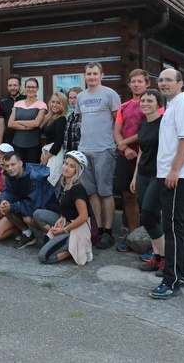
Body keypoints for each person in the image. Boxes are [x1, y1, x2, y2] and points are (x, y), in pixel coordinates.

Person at [148, 69, 184, 300]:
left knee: (172, 229)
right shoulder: (171, 107)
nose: (163, 84)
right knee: (179, 226)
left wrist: (175, 170)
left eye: (169, 80)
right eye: (160, 80)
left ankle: (171, 281)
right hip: (170, 174)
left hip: (176, 176)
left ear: (180, 83)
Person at [76, 62, 121, 250]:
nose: (92, 77)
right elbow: (81, 120)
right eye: (88, 74)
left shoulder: (110, 94)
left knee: (105, 191)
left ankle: (108, 232)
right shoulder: (80, 96)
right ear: (85, 76)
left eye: (95, 73)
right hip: (85, 149)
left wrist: (118, 144)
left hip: (104, 149)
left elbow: (118, 121)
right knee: (92, 192)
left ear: (102, 75)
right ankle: (98, 229)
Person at [35, 151, 94, 265]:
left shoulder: (77, 189)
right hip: (65, 221)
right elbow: (67, 207)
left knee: (43, 257)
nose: (66, 168)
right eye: (66, 163)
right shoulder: (64, 183)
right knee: (38, 214)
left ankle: (72, 250)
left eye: (71, 166)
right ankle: (62, 240)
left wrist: (64, 230)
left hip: (77, 227)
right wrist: (62, 217)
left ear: (78, 170)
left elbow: (83, 217)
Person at [131, 89, 167, 274]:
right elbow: (141, 152)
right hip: (143, 175)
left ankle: (167, 259)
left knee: (148, 217)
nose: (144, 103)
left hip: (157, 175)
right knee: (149, 219)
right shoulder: (142, 125)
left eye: (149, 100)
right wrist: (135, 175)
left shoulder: (164, 123)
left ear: (158, 104)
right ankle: (157, 257)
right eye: (142, 100)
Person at [0, 151, 54, 249]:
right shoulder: (10, 175)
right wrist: (4, 200)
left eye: (13, 164)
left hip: (48, 209)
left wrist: (12, 206)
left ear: (20, 163)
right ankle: (27, 234)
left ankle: (51, 235)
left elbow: (33, 206)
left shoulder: (34, 177)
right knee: (6, 207)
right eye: (7, 165)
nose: (10, 168)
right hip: (30, 203)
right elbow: (9, 191)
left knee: (28, 218)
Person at [113, 69, 151, 235]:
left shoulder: (153, 104)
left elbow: (150, 129)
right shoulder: (123, 106)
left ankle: (152, 236)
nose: (136, 85)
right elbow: (116, 131)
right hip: (125, 156)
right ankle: (133, 234)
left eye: (140, 81)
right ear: (129, 85)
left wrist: (124, 143)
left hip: (146, 155)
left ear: (147, 84)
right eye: (133, 82)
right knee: (128, 196)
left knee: (148, 198)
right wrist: (125, 148)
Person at [8, 78, 47, 164]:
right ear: (24, 88)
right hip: (17, 143)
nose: (30, 89)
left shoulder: (41, 105)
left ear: (37, 88)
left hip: (33, 144)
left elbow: (36, 123)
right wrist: (28, 127)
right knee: (18, 169)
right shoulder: (17, 104)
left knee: (32, 170)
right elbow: (10, 123)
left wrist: (18, 121)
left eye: (33, 87)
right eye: (28, 87)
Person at [40, 91, 68, 186]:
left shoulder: (61, 119)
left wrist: (46, 157)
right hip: (47, 152)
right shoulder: (49, 117)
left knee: (52, 181)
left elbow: (58, 142)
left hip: (54, 154)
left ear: (63, 105)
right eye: (53, 102)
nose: (54, 105)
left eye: (58, 103)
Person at [0, 74, 26, 146]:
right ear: (7, 87)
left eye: (15, 85)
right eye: (10, 85)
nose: (12, 88)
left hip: (25, 138)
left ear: (19, 86)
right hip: (8, 139)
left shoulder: (26, 100)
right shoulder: (3, 102)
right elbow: (1, 125)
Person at [64, 86, 83, 153]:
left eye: (75, 97)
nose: (72, 100)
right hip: (70, 152)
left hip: (81, 152)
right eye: (70, 98)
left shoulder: (84, 115)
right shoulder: (70, 116)